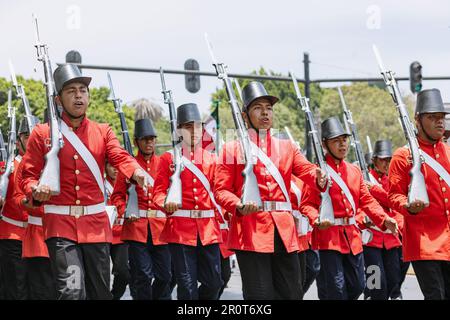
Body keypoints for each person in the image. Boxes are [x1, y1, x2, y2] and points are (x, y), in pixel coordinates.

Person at [20, 64, 147, 300]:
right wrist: (35, 190)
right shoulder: (42, 134)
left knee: (99, 293)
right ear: (58, 99)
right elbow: (26, 176)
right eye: (71, 91)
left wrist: (136, 171)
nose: (79, 95)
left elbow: (119, 155)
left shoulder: (103, 131)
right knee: (72, 291)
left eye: (83, 90)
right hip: (60, 226)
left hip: (96, 226)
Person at [214, 81, 327, 300]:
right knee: (260, 296)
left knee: (292, 293)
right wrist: (237, 205)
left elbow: (306, 170)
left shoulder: (287, 147)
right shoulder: (231, 148)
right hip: (250, 229)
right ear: (245, 116)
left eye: (269, 108)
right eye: (258, 108)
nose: (265, 113)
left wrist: (318, 176)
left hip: (284, 231)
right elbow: (221, 190)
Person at [301, 116, 398, 300]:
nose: (342, 145)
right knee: (336, 289)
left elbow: (366, 200)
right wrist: (316, 219)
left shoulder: (353, 171)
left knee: (358, 285)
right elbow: (307, 204)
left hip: (352, 236)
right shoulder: (318, 172)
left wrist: (383, 219)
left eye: (344, 140)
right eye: (336, 141)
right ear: (324, 145)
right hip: (328, 236)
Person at [153, 103, 223, 300]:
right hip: (181, 230)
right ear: (178, 130)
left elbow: (219, 191)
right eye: (188, 127)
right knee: (187, 286)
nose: (193, 131)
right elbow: (158, 192)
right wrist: (165, 202)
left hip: (208, 230)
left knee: (214, 282)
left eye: (197, 127)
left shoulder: (213, 159)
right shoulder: (168, 158)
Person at [389, 88, 450, 300]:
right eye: (432, 117)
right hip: (423, 242)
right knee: (435, 296)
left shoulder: (449, 152)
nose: (439, 122)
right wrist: (407, 206)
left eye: (441, 117)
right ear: (418, 120)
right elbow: (394, 196)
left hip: (449, 240)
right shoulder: (403, 155)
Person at [111, 118, 171, 300]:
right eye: (145, 139)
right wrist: (125, 211)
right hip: (137, 228)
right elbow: (117, 196)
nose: (149, 142)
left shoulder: (164, 164)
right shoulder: (128, 167)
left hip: (161, 229)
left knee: (165, 276)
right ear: (137, 141)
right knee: (143, 275)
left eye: (152, 139)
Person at [15, 117, 57, 300]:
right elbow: (18, 197)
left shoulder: (60, 158)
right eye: (26, 136)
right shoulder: (24, 165)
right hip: (38, 239)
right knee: (41, 292)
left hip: (64, 231)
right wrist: (29, 201)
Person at [361, 139, 403, 300]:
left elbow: (392, 200)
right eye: (383, 160)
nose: (386, 163)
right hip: (372, 240)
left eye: (388, 160)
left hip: (391, 239)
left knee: (393, 281)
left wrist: (375, 190)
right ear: (374, 160)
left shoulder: (392, 181)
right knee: (376, 283)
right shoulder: (364, 180)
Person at [0, 119, 30, 300]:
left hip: (39, 235)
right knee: (16, 288)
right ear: (18, 141)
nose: (30, 140)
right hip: (13, 235)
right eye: (26, 136)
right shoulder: (6, 168)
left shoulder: (45, 167)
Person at [104, 161, 131, 300]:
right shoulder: (100, 184)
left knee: (123, 272)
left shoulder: (128, 184)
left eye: (117, 166)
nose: (115, 170)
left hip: (120, 234)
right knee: (100, 275)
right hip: (102, 234)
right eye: (111, 166)